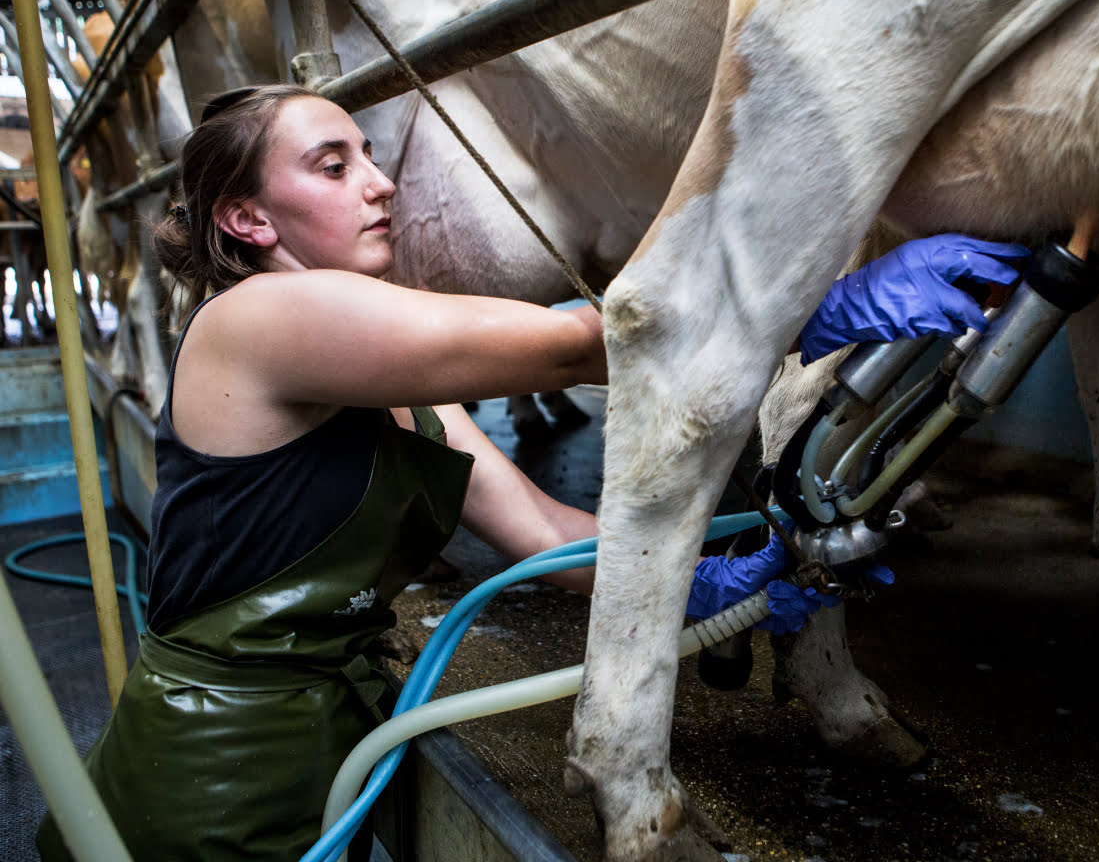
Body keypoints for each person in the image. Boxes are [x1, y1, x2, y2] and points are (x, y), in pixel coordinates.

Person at [36, 83, 1027, 862]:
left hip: (326, 741)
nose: (379, 182)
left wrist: (720, 588)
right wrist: (820, 301)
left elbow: (546, 538)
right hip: (215, 765)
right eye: (333, 166)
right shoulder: (256, 319)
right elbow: (573, 348)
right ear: (249, 221)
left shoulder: (400, 381)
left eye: (371, 157)